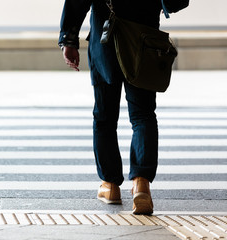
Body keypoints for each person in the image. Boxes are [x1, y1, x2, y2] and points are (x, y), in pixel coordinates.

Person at [58, 0, 164, 215]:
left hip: (105, 38)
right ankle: (141, 183)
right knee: (143, 115)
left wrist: (69, 40)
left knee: (105, 117)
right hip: (144, 38)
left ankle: (111, 185)